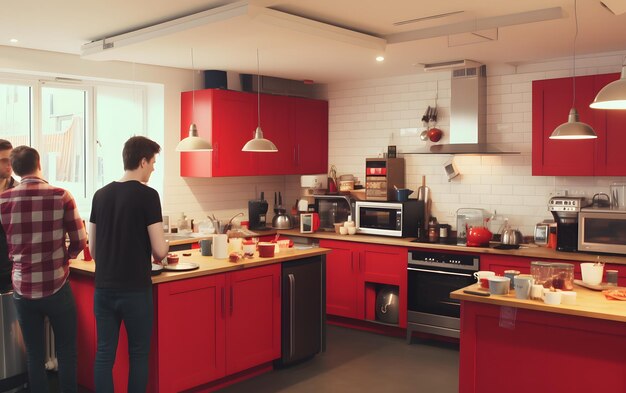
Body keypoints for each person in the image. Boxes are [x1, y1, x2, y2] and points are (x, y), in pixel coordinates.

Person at [0, 145, 87, 393]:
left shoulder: (3, 201)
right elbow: (80, 240)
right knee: (67, 350)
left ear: (14, 169)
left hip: (22, 288)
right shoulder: (61, 195)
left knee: (34, 354)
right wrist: (66, 257)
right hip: (56, 285)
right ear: (39, 164)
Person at [89, 136, 168, 392]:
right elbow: (159, 250)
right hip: (135, 289)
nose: (154, 168)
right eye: (153, 162)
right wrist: (165, 246)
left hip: (103, 289)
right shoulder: (148, 196)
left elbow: (93, 249)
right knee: (138, 354)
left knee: (104, 355)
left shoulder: (99, 195)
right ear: (142, 161)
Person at [0, 139, 17, 292]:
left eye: (11, 159)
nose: (9, 164)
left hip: (13, 274)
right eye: (4, 160)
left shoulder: (20, 192)